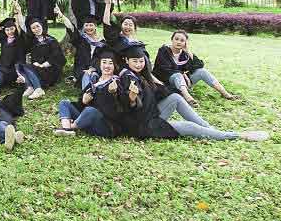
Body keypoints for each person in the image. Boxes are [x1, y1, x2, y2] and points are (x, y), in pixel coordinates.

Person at [119, 46, 266, 142]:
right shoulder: (128, 77)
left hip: (150, 114)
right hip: (143, 125)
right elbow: (128, 105)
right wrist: (132, 98)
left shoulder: (143, 74)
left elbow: (160, 92)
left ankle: (210, 129)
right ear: (126, 60)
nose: (139, 64)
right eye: (134, 61)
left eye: (141, 61)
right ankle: (236, 135)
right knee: (189, 127)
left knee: (175, 97)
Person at [153, 30, 238, 105]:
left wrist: (188, 51)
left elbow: (199, 65)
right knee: (177, 75)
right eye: (176, 39)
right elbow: (164, 69)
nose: (179, 42)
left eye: (182, 40)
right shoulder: (163, 50)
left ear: (185, 43)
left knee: (202, 71)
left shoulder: (184, 54)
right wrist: (182, 74)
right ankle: (188, 98)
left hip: (182, 83)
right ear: (172, 40)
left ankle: (226, 94)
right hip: (166, 83)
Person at [55, 51, 123, 138]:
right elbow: (82, 103)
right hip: (87, 120)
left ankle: (71, 128)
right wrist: (84, 101)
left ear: (115, 66)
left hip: (105, 126)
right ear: (99, 64)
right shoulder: (95, 80)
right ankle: (66, 129)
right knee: (64, 103)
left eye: (110, 63)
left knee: (91, 110)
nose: (107, 66)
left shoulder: (116, 82)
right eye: (104, 62)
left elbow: (117, 108)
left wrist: (113, 93)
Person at [18, 14, 66, 97]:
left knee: (27, 67)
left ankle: (38, 89)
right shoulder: (33, 42)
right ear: (31, 30)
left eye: (38, 26)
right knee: (19, 66)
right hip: (37, 69)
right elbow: (22, 29)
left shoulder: (51, 40)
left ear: (42, 26)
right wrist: (18, 13)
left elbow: (58, 57)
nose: (36, 29)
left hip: (50, 70)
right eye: (33, 28)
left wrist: (43, 65)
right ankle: (30, 87)